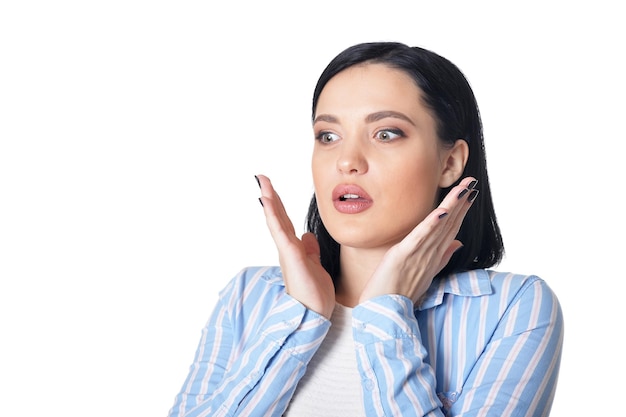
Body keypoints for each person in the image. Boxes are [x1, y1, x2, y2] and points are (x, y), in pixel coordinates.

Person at [166, 41, 564, 417]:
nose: (347, 161)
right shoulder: (248, 296)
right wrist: (301, 314)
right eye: (329, 136)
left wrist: (386, 310)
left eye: (386, 133)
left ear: (450, 163)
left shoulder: (513, 307)